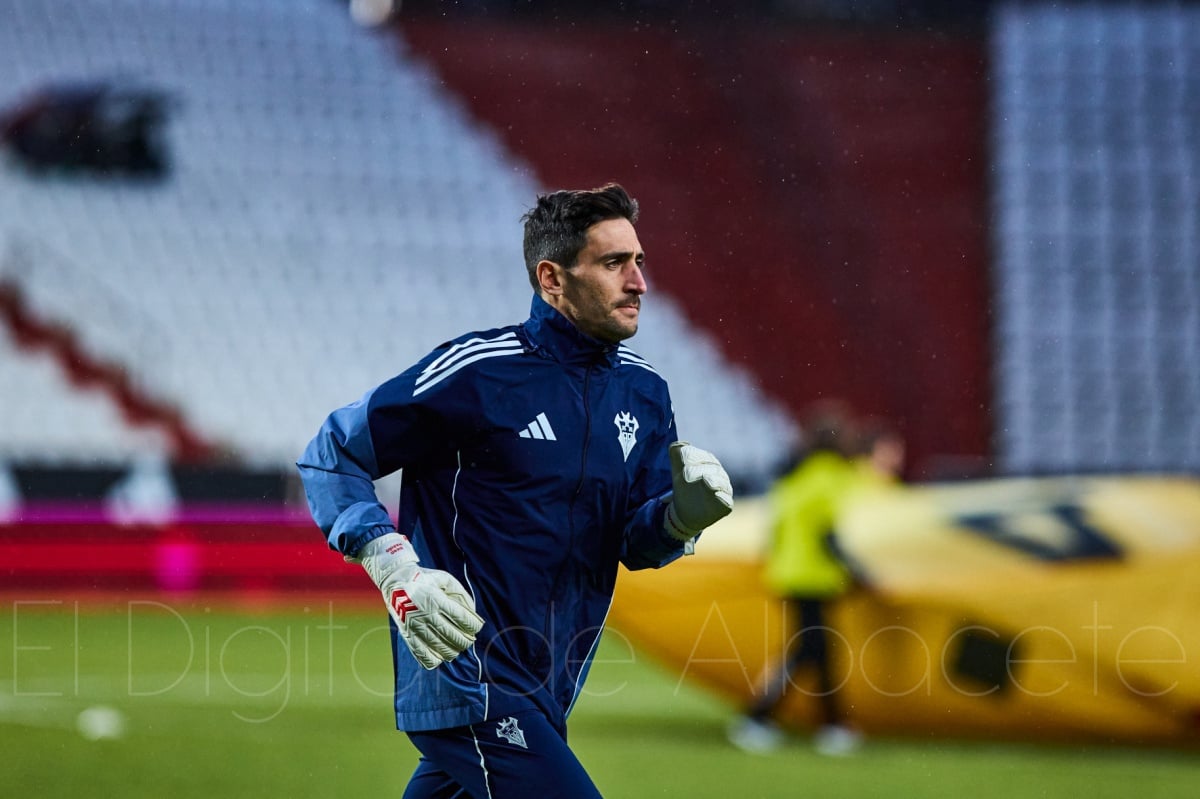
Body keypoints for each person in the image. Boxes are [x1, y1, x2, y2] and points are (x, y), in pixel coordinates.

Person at [297, 183, 734, 798]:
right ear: (552, 279)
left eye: (639, 261)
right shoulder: (478, 371)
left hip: (552, 681)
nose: (639, 282)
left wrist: (679, 519)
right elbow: (332, 453)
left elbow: (633, 542)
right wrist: (393, 567)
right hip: (468, 668)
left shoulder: (645, 393)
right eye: (614, 263)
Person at [727, 403, 875, 756]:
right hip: (816, 578)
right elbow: (829, 535)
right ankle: (758, 718)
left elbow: (775, 532)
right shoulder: (835, 478)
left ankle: (830, 726)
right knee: (809, 651)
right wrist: (860, 574)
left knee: (817, 651)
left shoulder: (794, 478)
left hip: (788, 575)